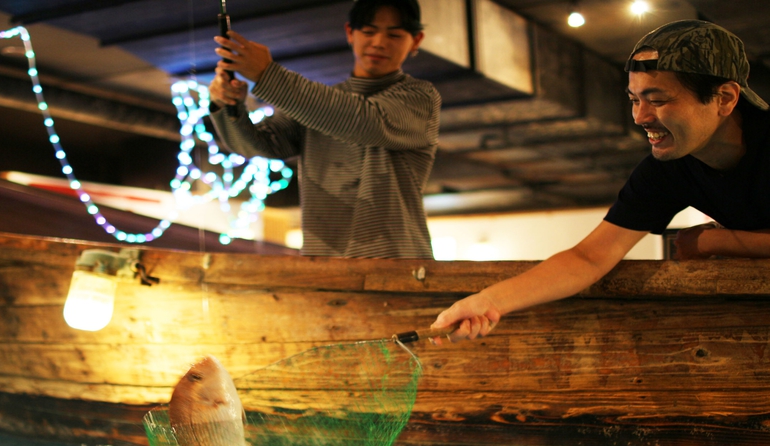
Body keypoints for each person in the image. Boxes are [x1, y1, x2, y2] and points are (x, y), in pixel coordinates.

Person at [432, 19, 770, 341]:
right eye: (634, 100)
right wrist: (488, 302)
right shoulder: (668, 168)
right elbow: (589, 258)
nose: (640, 117)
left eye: (658, 100)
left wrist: (714, 242)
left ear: (724, 98)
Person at [208, 0, 441, 258]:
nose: (379, 42)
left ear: (416, 41)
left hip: (396, 264)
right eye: (368, 31)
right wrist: (228, 105)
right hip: (324, 266)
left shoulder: (420, 98)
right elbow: (257, 145)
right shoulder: (318, 104)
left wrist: (268, 75)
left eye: (394, 34)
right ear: (350, 33)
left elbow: (366, 121)